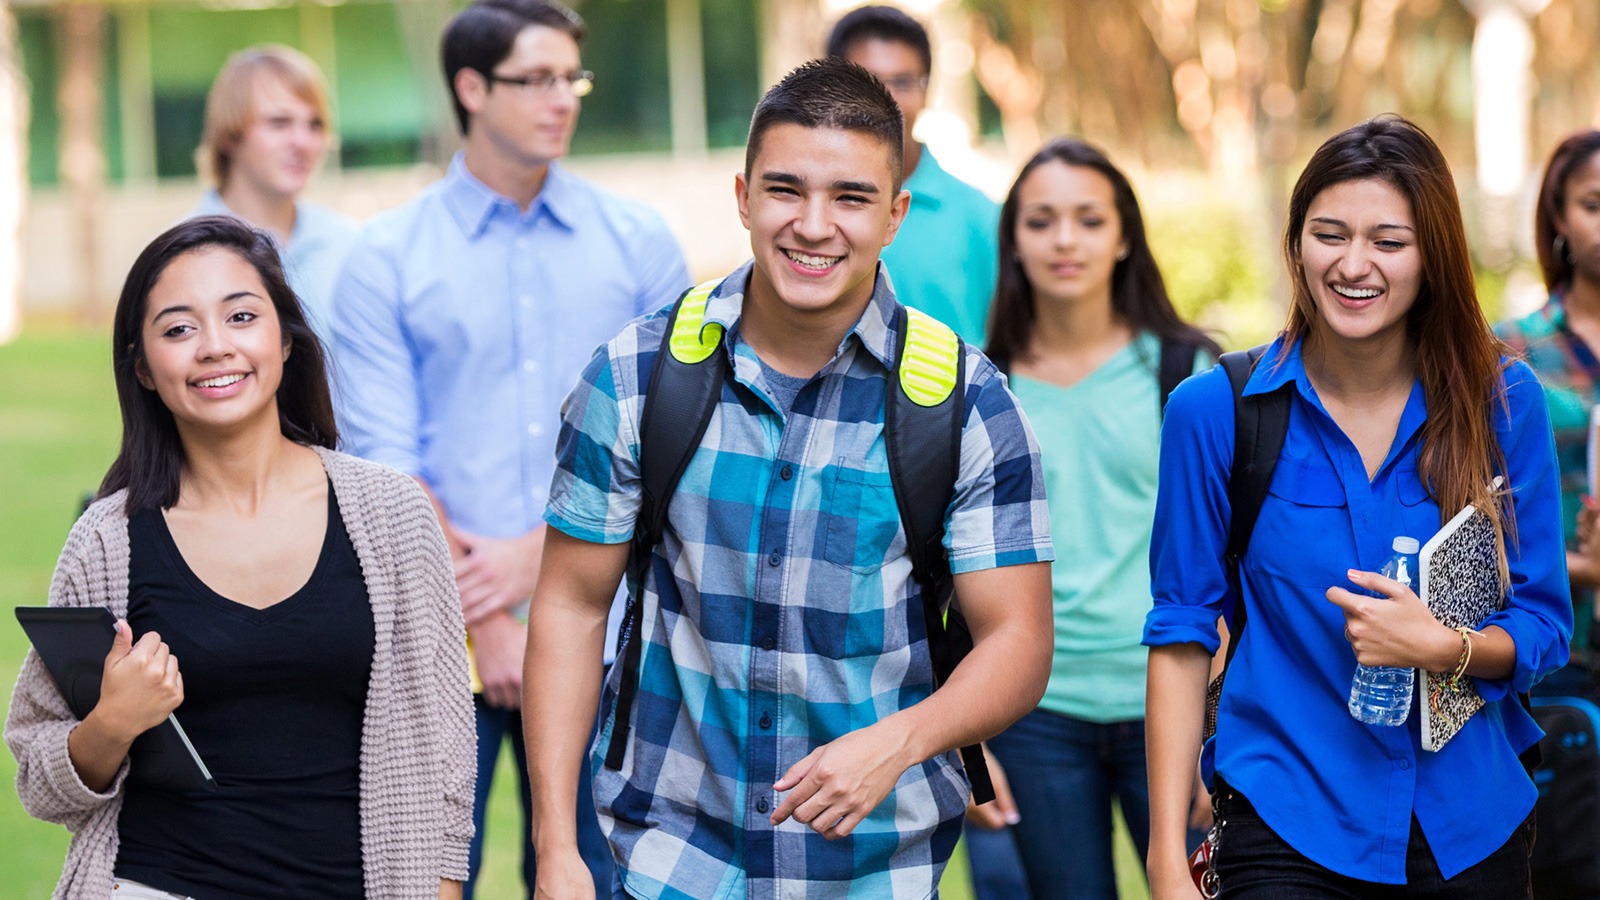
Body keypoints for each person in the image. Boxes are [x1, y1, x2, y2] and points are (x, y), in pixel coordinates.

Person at [523, 57, 1054, 900]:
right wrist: (556, 846)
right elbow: (570, 606)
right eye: (784, 190)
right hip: (669, 858)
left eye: (850, 197)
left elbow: (1018, 643)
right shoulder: (636, 374)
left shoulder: (964, 405)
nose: (813, 225)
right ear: (741, 197)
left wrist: (907, 738)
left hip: (876, 866)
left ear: (895, 215)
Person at [1144, 116, 1571, 899]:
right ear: (1297, 244)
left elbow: (1544, 623)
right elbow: (1180, 632)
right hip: (1287, 818)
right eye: (1328, 234)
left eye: (1388, 241)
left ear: (1432, 255)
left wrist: (1447, 649)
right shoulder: (1215, 413)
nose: (1353, 264)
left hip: (1470, 826)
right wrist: (1165, 854)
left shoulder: (1506, 403)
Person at [4, 215, 474, 900]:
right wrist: (114, 721)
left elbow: (447, 753)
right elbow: (40, 775)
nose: (214, 348)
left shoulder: (392, 514)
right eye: (178, 329)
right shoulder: (108, 539)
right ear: (141, 366)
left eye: (241, 316)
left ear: (285, 339)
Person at [331, 0, 690, 896]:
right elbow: (384, 466)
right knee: (419, 880)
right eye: (535, 79)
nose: (561, 98)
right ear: (470, 88)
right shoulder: (384, 258)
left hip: (616, 638)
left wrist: (543, 566)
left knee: (598, 883)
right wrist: (486, 626)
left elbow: (678, 436)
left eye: (572, 76)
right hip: (434, 642)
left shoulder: (639, 243)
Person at [972, 137, 1219, 900]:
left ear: (1122, 238)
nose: (1066, 240)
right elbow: (948, 575)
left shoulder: (1189, 373)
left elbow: (1235, 552)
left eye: (1088, 218)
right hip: (1037, 711)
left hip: (1173, 697)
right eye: (1042, 221)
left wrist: (1222, 719)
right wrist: (974, 735)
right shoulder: (981, 386)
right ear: (1014, 239)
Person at [826, 4, 999, 346]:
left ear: (927, 91)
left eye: (903, 82)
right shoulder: (805, 212)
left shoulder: (982, 218)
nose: (885, 99)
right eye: (867, 81)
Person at [1494, 130, 1600, 682]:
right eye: (1593, 205)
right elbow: (1468, 519)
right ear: (1558, 216)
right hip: (1557, 658)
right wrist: (1585, 569)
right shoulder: (1509, 353)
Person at [192, 45, 357, 347]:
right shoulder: (181, 256)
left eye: (315, 124)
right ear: (230, 134)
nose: (303, 142)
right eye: (279, 123)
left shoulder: (352, 246)